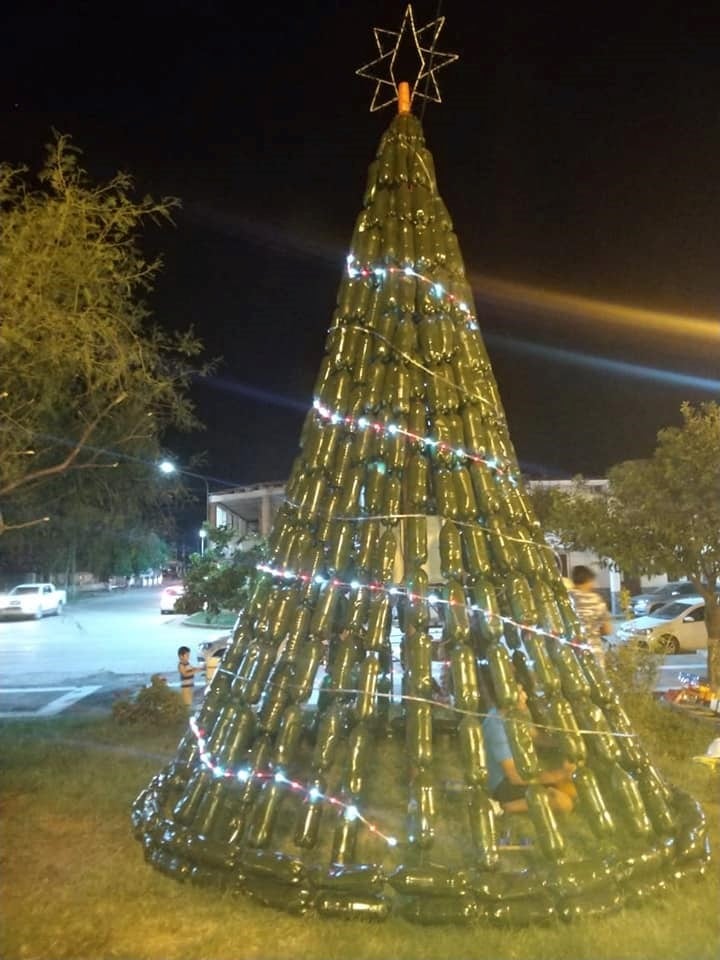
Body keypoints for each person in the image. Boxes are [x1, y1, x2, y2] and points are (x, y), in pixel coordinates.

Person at [483, 684, 576, 814]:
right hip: (504, 783)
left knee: (572, 790)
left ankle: (537, 797)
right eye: (520, 693)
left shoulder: (517, 713)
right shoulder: (497, 727)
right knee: (564, 803)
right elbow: (515, 777)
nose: (525, 696)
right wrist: (558, 775)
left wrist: (565, 742)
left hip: (523, 772)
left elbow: (536, 736)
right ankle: (502, 807)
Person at [568, 565, 612, 665]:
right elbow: (607, 630)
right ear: (588, 580)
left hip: (571, 653)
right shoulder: (596, 600)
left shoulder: (565, 598)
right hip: (594, 652)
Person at [177, 645, 200, 710]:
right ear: (181, 656)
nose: (188, 657)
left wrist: (199, 669)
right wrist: (194, 672)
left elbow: (192, 668)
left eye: (188, 655)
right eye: (187, 656)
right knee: (187, 703)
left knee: (190, 701)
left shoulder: (187, 663)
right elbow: (185, 674)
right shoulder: (181, 665)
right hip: (185, 687)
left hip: (190, 686)